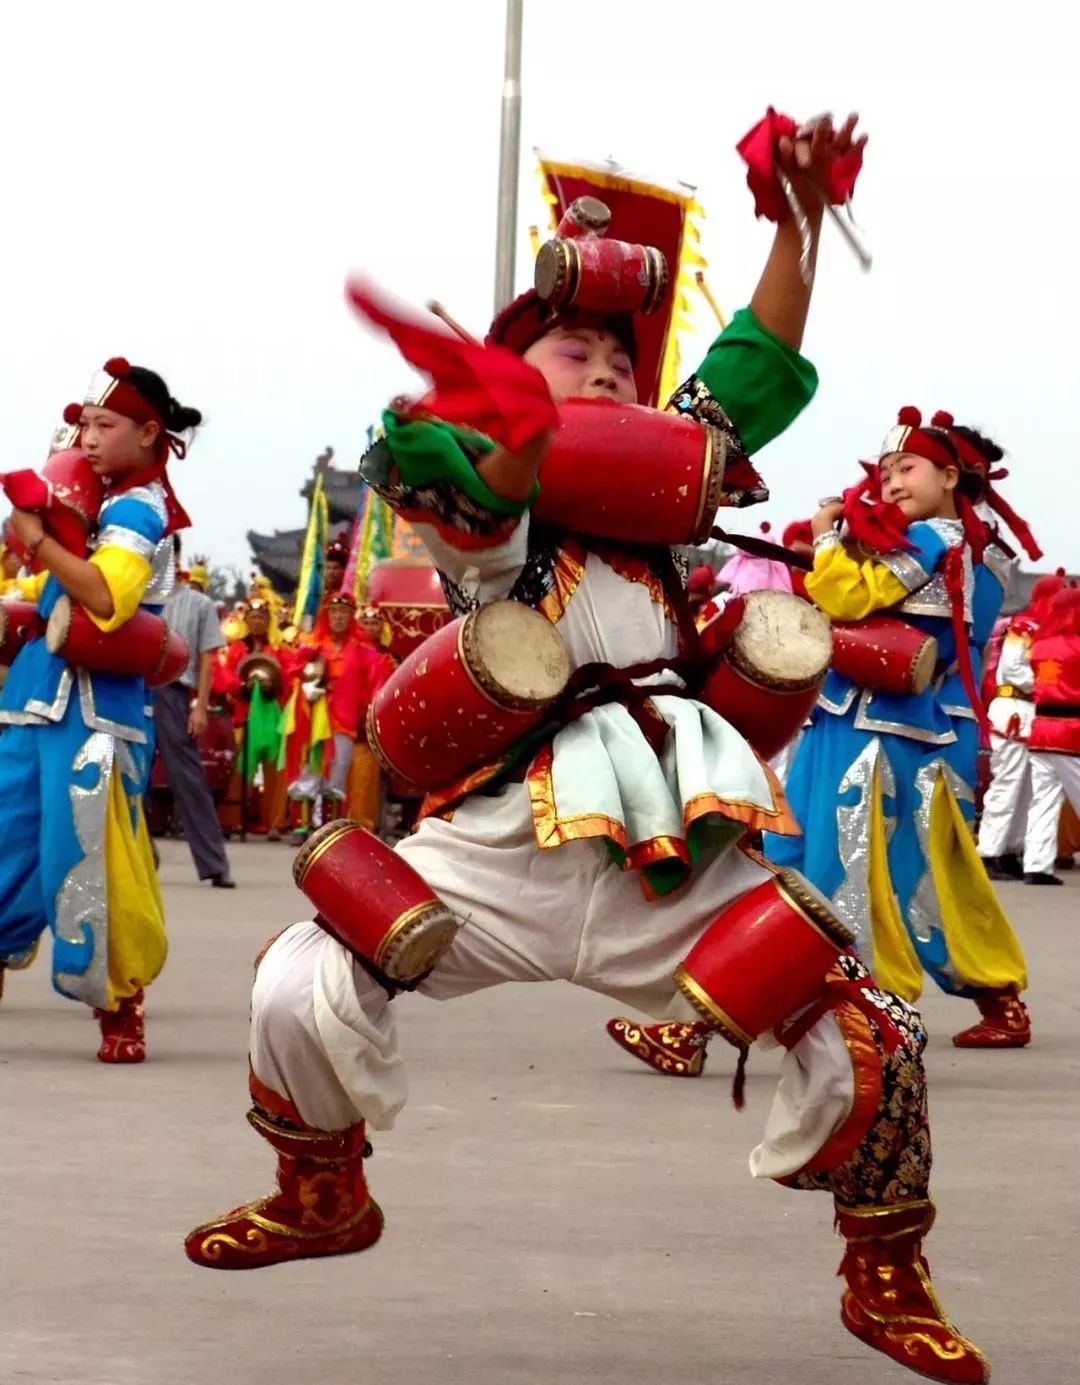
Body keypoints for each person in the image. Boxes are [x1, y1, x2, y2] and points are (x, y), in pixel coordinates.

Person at [185, 118, 988, 1384]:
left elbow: (758, 354)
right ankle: (322, 1185)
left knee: (870, 1025)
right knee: (296, 980)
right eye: (579, 349)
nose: (611, 364)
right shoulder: (489, 519)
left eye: (623, 352)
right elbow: (483, 501)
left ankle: (886, 1268)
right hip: (503, 833)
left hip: (673, 837)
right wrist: (508, 426)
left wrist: (794, 221)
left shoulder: (670, 490)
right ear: (518, 377)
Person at [765, 408, 1030, 1053]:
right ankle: (990, 995)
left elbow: (846, 601)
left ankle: (861, 1005)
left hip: (888, 731)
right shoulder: (962, 545)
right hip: (870, 722)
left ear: (948, 475)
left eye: (905, 468)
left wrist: (830, 539)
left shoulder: (942, 540)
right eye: (883, 473)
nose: (890, 483)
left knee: (844, 867)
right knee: (901, 869)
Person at [0, 358, 198, 1059]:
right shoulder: (91, 494)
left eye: (105, 424)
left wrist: (39, 540)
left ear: (149, 433)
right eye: (84, 423)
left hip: (97, 709)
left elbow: (106, 598)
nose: (87, 437)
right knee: (7, 839)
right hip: (32, 696)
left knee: (87, 855)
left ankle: (120, 1004)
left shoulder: (140, 509)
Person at [153, 537, 235, 888]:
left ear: (175, 556)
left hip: (173, 693)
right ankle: (138, 857)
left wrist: (200, 706)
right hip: (133, 691)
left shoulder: (199, 603)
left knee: (189, 780)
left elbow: (205, 659)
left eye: (163, 553)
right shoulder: (139, 597)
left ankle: (214, 864)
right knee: (125, 776)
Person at [977, 573, 1066, 884]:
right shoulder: (1023, 626)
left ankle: (1010, 850)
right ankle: (988, 851)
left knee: (1027, 788)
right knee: (1007, 784)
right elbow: (1013, 668)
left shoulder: (1046, 629)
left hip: (1032, 713)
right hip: (1014, 708)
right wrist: (1047, 684)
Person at [1023, 584, 1080, 878]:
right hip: (1071, 732)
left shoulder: (1038, 646)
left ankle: (1036, 866)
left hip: (1041, 730)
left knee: (1042, 801)